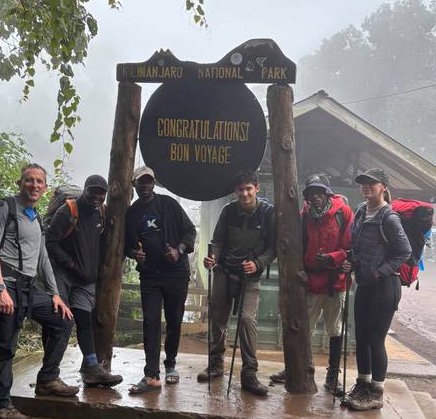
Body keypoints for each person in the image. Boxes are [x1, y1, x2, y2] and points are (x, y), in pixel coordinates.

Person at [0, 163, 78, 419]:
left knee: (63, 319)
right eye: (29, 180)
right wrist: (0, 289)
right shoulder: (3, 209)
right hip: (6, 286)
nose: (34, 185)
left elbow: (43, 257)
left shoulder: (33, 216)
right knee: (5, 346)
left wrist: (55, 294)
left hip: (27, 288)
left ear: (45, 188)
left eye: (39, 182)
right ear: (20, 183)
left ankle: (48, 379)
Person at [270, 174, 354, 395]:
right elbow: (297, 247)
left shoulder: (343, 213)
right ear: (307, 197)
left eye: (319, 193)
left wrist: (333, 258)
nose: (316, 197)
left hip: (335, 282)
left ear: (327, 193)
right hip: (311, 281)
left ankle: (332, 377)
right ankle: (295, 370)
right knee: (303, 328)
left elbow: (350, 247)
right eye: (311, 193)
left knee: (335, 330)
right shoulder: (304, 216)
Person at [197, 169, 277, 396]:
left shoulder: (268, 214)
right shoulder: (228, 211)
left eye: (249, 188)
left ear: (257, 189)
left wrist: (259, 264)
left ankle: (249, 374)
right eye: (240, 189)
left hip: (250, 277)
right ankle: (215, 365)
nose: (244, 193)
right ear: (235, 191)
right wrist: (213, 257)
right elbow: (217, 241)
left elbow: (273, 248)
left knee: (246, 320)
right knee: (217, 318)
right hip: (224, 271)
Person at [342, 168, 412, 411]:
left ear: (383, 186)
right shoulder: (361, 211)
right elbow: (355, 244)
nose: (366, 187)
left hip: (385, 286)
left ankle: (377, 392)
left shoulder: (389, 218)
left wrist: (380, 270)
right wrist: (351, 261)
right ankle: (362, 384)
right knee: (360, 335)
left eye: (372, 183)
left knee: (375, 338)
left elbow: (404, 251)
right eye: (363, 183)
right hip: (365, 285)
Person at [45, 174, 122, 387]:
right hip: (64, 275)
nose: (97, 196)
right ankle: (50, 373)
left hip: (85, 281)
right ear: (85, 190)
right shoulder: (68, 211)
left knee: (85, 322)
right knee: (60, 322)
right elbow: (51, 243)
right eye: (93, 191)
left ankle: (91, 368)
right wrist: (70, 263)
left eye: (101, 193)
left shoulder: (101, 213)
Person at [124, 166, 196, 394]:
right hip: (150, 276)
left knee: (174, 321)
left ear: (153, 183)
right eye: (140, 183)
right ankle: (151, 375)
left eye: (148, 182)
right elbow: (128, 246)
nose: (145, 186)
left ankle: (171, 364)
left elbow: (190, 231)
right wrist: (135, 254)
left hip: (176, 274)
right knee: (151, 323)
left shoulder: (169, 205)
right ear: (134, 185)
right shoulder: (133, 213)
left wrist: (179, 250)